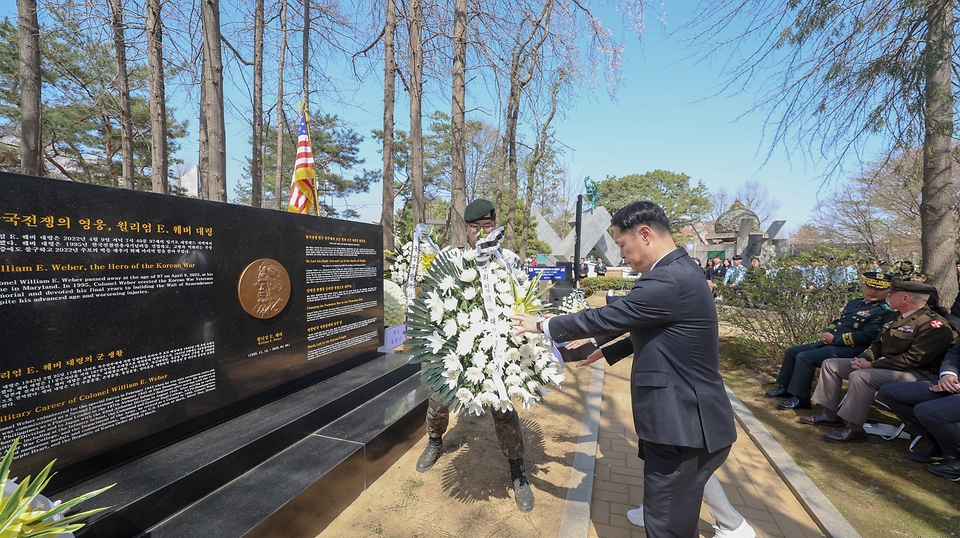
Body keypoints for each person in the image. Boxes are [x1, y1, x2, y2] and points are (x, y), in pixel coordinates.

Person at [511, 201, 737, 537]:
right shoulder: (681, 270)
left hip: (683, 425)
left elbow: (607, 317)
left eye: (621, 245)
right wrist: (607, 352)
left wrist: (543, 324)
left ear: (644, 234)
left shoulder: (666, 279)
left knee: (666, 526)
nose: (620, 256)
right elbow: (657, 330)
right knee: (672, 512)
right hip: (687, 421)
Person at [415, 198, 535, 512]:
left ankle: (517, 470)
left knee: (504, 409)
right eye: (475, 227)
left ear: (495, 225)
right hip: (457, 349)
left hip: (495, 352)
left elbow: (523, 300)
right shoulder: (449, 258)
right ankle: (434, 440)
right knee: (439, 400)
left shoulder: (508, 259)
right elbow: (431, 300)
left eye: (487, 226)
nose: (481, 233)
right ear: (466, 227)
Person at [799, 280, 958, 443]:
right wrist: (864, 358)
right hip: (890, 367)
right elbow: (878, 343)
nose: (888, 295)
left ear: (905, 298)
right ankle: (829, 414)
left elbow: (914, 359)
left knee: (862, 376)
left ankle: (855, 429)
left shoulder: (933, 324)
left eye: (892, 293)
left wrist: (872, 365)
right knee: (831, 365)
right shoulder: (894, 316)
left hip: (918, 373)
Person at [765, 271, 894, 410]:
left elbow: (867, 336)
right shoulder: (855, 303)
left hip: (852, 349)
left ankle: (800, 398)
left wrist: (835, 339)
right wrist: (828, 331)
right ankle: (786, 388)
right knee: (792, 351)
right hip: (832, 343)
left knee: (805, 357)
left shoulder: (883, 311)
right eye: (870, 287)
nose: (873, 291)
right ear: (863, 286)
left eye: (879, 289)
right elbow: (839, 321)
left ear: (887, 292)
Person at [878, 338, 960, 480]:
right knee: (889, 393)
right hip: (951, 383)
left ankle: (957, 459)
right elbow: (955, 352)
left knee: (928, 411)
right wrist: (948, 374)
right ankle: (939, 442)